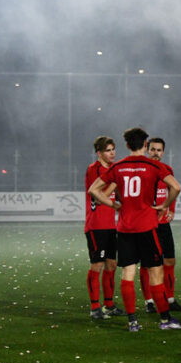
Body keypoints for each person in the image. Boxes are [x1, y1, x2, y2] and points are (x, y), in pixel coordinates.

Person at [88, 127, 181, 331]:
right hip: (147, 227)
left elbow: (93, 190)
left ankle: (133, 321)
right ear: (145, 145)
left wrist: (112, 204)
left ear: (126, 145)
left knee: (128, 273)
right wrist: (164, 205)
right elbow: (176, 187)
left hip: (125, 228)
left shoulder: (118, 167)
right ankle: (165, 320)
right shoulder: (153, 165)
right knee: (155, 273)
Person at [143, 137, 181, 313]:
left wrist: (172, 209)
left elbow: (172, 190)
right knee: (148, 264)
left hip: (162, 224)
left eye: (159, 150)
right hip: (146, 224)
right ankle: (149, 302)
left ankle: (170, 300)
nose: (156, 153)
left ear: (163, 152)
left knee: (170, 260)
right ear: (147, 150)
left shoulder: (167, 169)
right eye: (153, 149)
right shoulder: (142, 168)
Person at [83, 136, 125, 319]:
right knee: (97, 265)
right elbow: (97, 197)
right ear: (99, 153)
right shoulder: (95, 169)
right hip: (96, 226)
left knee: (112, 264)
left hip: (110, 226)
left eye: (113, 149)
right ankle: (94, 307)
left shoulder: (112, 170)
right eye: (108, 150)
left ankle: (109, 305)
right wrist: (115, 184)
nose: (113, 153)